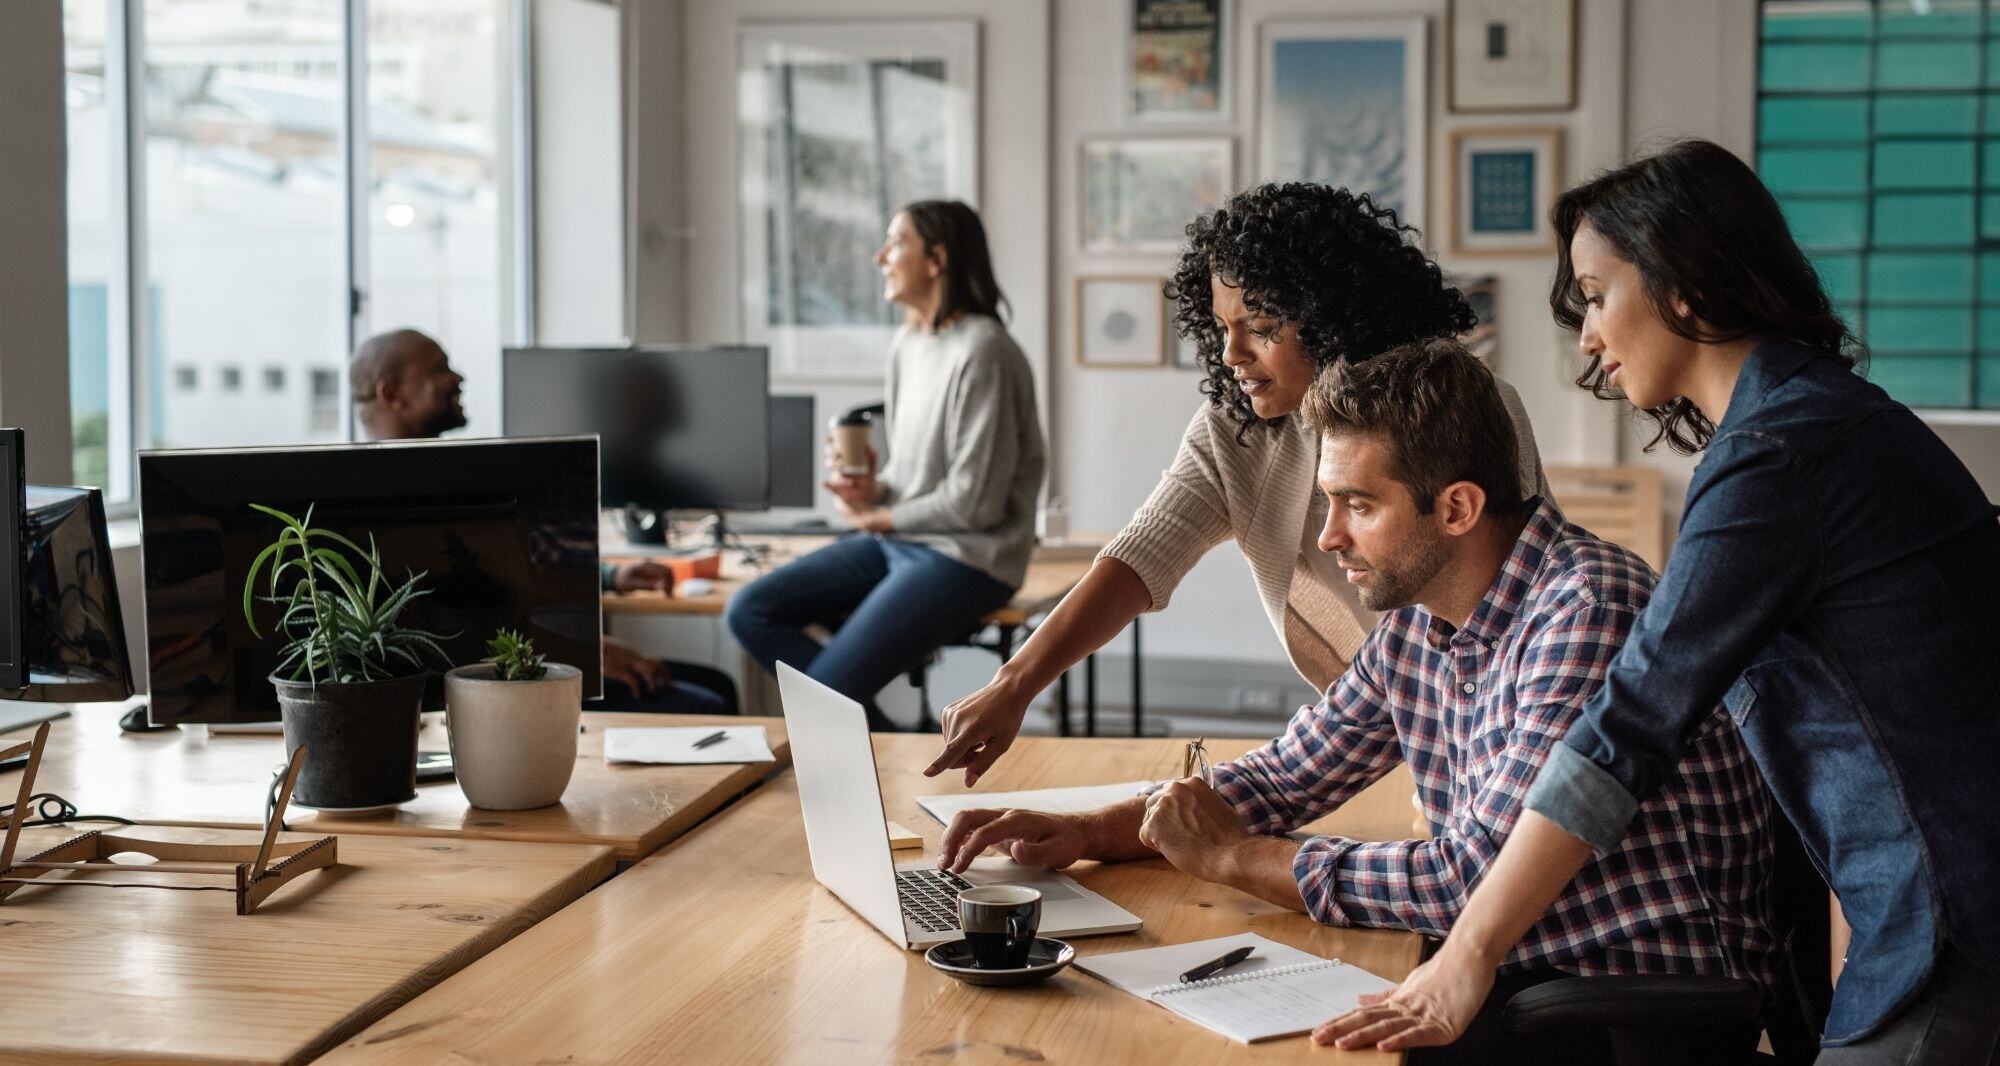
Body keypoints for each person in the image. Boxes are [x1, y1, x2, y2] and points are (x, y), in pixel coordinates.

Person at [1318, 141, 2000, 1064]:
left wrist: (1467, 955)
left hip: (1956, 916)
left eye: (1598, 295)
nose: (1589, 338)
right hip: (1925, 911)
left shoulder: (1780, 457)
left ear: (1685, 282)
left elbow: (1629, 722)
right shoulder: (1807, 425)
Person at [938, 339, 1774, 1065]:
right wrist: (1094, 832)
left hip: (1617, 1004)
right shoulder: (1426, 612)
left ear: (1457, 508)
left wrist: (1236, 861)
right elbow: (1289, 775)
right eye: (1330, 501)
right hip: (1518, 969)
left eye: (1359, 506)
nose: (1330, 536)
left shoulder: (1585, 608)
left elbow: (1466, 879)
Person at [926, 183, 1546, 786]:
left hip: (1490, 726)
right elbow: (1140, 557)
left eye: (1261, 326)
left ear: (1336, 315)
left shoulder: (1459, 410)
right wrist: (1014, 686)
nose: (1230, 353)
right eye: (1222, 327)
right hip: (1363, 729)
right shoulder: (1237, 428)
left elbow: (1511, 607)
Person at [725, 201, 1045, 729]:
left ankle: (858, 734)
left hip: (969, 559)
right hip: (903, 543)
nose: (880, 257)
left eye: (895, 243)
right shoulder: (908, 345)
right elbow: (914, 480)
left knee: (825, 694)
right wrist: (875, 490)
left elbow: (976, 503)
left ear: (936, 259)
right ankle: (881, 738)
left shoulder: (985, 352)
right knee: (749, 610)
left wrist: (879, 518)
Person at [348, 329, 737, 715]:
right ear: (392, 394)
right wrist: (585, 656)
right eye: (439, 369)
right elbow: (462, 631)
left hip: (533, 658)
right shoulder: (385, 505)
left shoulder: (440, 480)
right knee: (709, 702)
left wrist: (611, 578)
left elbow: (513, 572)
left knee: (717, 684)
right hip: (500, 686)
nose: (458, 378)